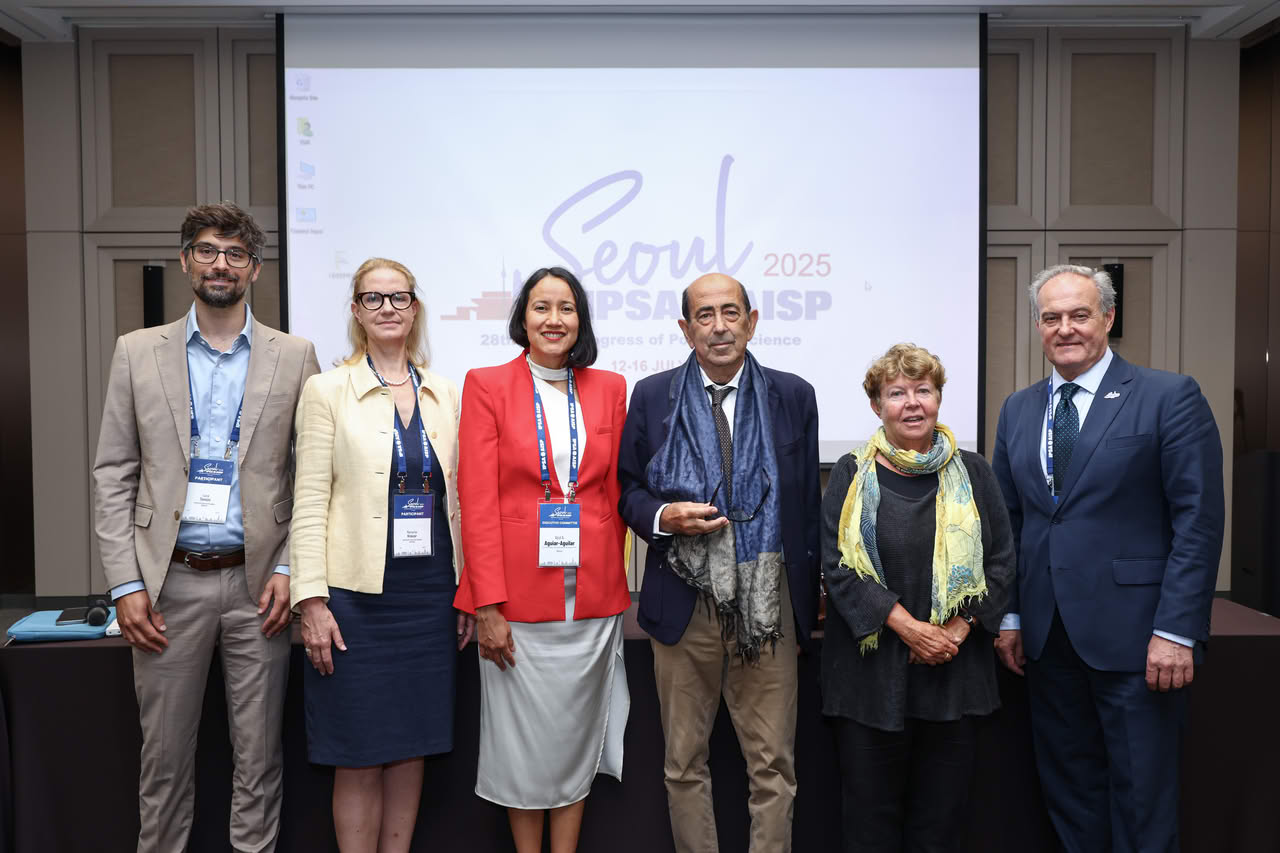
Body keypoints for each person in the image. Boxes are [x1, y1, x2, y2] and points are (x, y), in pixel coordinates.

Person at [92, 202, 319, 853]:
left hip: (260, 592)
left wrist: (287, 569)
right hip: (167, 589)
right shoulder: (136, 352)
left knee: (260, 762)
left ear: (254, 268)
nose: (221, 264)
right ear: (187, 259)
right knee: (163, 765)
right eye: (208, 250)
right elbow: (114, 473)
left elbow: (309, 474)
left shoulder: (295, 355)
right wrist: (125, 582)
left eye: (235, 253)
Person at [991, 264, 1224, 853]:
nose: (1064, 328)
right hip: (1048, 641)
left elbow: (1198, 521)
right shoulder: (1017, 410)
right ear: (1037, 327)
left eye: (1079, 314)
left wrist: (1177, 629)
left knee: (1142, 800)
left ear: (1108, 318)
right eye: (1051, 318)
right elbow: (1011, 522)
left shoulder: (1169, 397)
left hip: (1139, 640)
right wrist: (1013, 615)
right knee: (1071, 796)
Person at [617, 272, 820, 853]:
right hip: (683, 598)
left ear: (752, 321)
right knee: (683, 763)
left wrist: (806, 609)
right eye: (704, 315)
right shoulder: (654, 396)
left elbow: (805, 503)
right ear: (686, 330)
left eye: (731, 312)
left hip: (768, 603)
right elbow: (629, 490)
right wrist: (664, 518)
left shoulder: (794, 394)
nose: (719, 326)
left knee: (773, 767)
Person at [290, 258, 471, 852]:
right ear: (356, 311)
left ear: (415, 307)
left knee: (411, 744)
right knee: (360, 752)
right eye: (374, 299)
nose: (388, 308)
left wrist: (468, 588)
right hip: (354, 599)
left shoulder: (445, 393)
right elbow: (310, 499)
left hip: (428, 598)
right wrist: (311, 600)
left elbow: (460, 503)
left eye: (399, 297)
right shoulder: (326, 390)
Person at [452, 266, 631, 853]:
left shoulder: (609, 387)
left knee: (578, 738)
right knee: (522, 746)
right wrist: (488, 606)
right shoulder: (486, 384)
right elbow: (477, 501)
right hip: (516, 604)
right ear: (522, 318)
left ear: (581, 319)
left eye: (567, 308)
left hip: (592, 598)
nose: (554, 320)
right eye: (541, 308)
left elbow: (612, 493)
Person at [820, 343, 1014, 852]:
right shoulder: (850, 472)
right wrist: (908, 627)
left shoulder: (974, 472)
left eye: (923, 391)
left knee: (941, 824)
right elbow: (838, 565)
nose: (912, 403)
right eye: (897, 393)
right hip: (869, 680)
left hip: (953, 674)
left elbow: (1001, 561)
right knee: (869, 824)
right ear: (876, 406)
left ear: (938, 399)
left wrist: (955, 631)